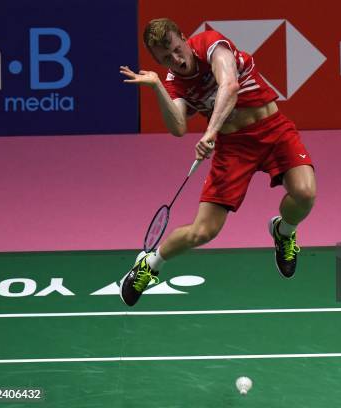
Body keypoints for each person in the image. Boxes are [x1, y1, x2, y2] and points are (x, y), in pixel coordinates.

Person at [118, 18, 316, 306]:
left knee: (305, 193)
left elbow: (230, 85)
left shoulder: (211, 45)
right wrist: (157, 87)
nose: (176, 59)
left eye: (176, 49)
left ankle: (283, 231)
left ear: (184, 38)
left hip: (273, 129)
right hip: (234, 148)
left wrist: (209, 133)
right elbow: (177, 127)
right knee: (203, 231)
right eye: (165, 59)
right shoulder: (175, 83)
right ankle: (149, 265)